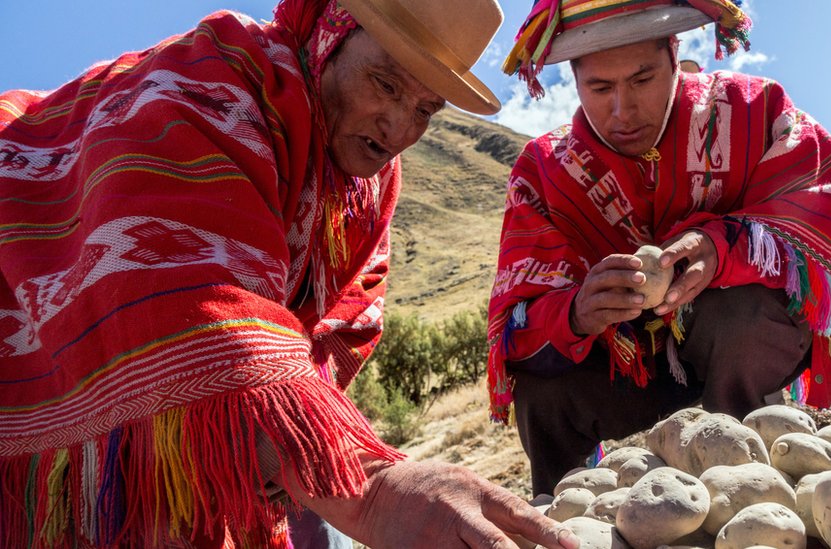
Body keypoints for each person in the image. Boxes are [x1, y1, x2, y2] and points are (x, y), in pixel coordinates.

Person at [0, 1, 580, 548]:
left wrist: (305, 446)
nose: (401, 127)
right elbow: (189, 304)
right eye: (385, 84)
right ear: (330, 33)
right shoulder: (202, 89)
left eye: (426, 110)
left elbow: (340, 322)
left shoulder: (368, 186)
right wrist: (370, 489)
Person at [487, 0, 831, 496]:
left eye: (642, 79)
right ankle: (567, 512)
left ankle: (755, 478)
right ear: (574, 78)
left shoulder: (751, 109)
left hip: (735, 344)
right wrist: (575, 314)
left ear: (674, 53)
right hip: (629, 367)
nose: (623, 110)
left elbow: (828, 191)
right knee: (543, 393)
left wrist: (723, 246)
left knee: (745, 316)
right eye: (599, 87)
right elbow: (518, 320)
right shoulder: (543, 172)